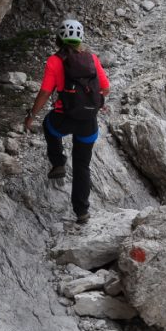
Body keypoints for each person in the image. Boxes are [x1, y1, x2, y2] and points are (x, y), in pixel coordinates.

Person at [24, 19, 110, 222]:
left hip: (64, 118)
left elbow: (45, 92)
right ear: (81, 39)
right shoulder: (92, 58)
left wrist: (31, 115)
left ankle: (58, 163)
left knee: (48, 125)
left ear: (58, 39)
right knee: (82, 166)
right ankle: (82, 212)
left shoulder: (54, 61)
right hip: (88, 121)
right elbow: (105, 88)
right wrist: (92, 102)